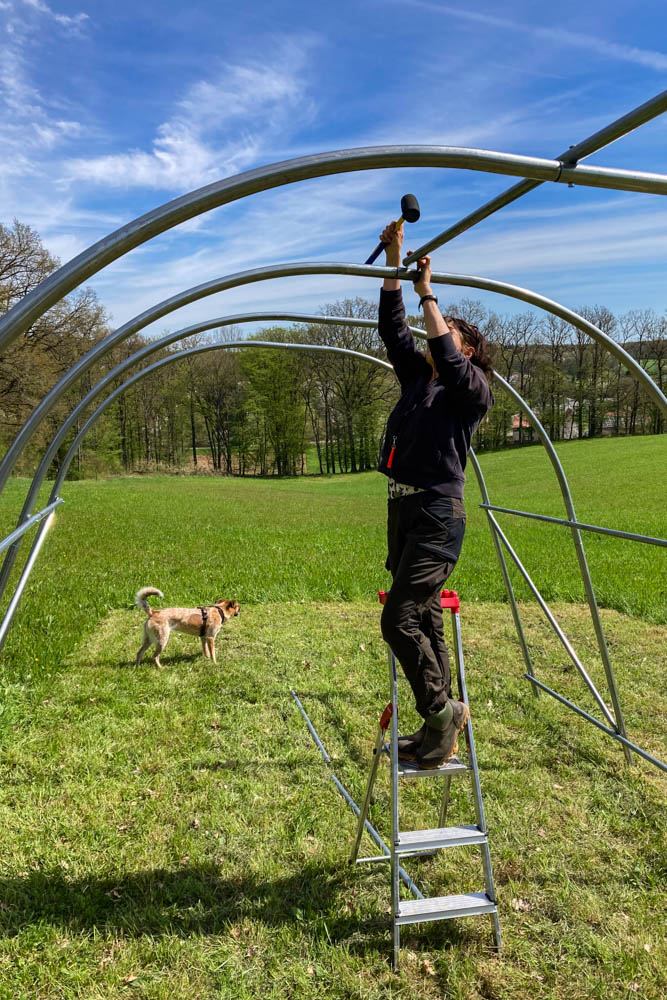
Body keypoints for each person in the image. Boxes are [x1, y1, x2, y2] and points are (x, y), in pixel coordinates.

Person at [377, 220, 494, 769]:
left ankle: (444, 713)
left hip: (438, 515)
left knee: (397, 618)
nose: (437, 338)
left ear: (467, 350)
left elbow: (443, 352)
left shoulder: (469, 390)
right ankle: (436, 732)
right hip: (405, 509)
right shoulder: (418, 381)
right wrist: (395, 266)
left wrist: (429, 292)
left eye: (450, 335)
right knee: (422, 619)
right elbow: (394, 332)